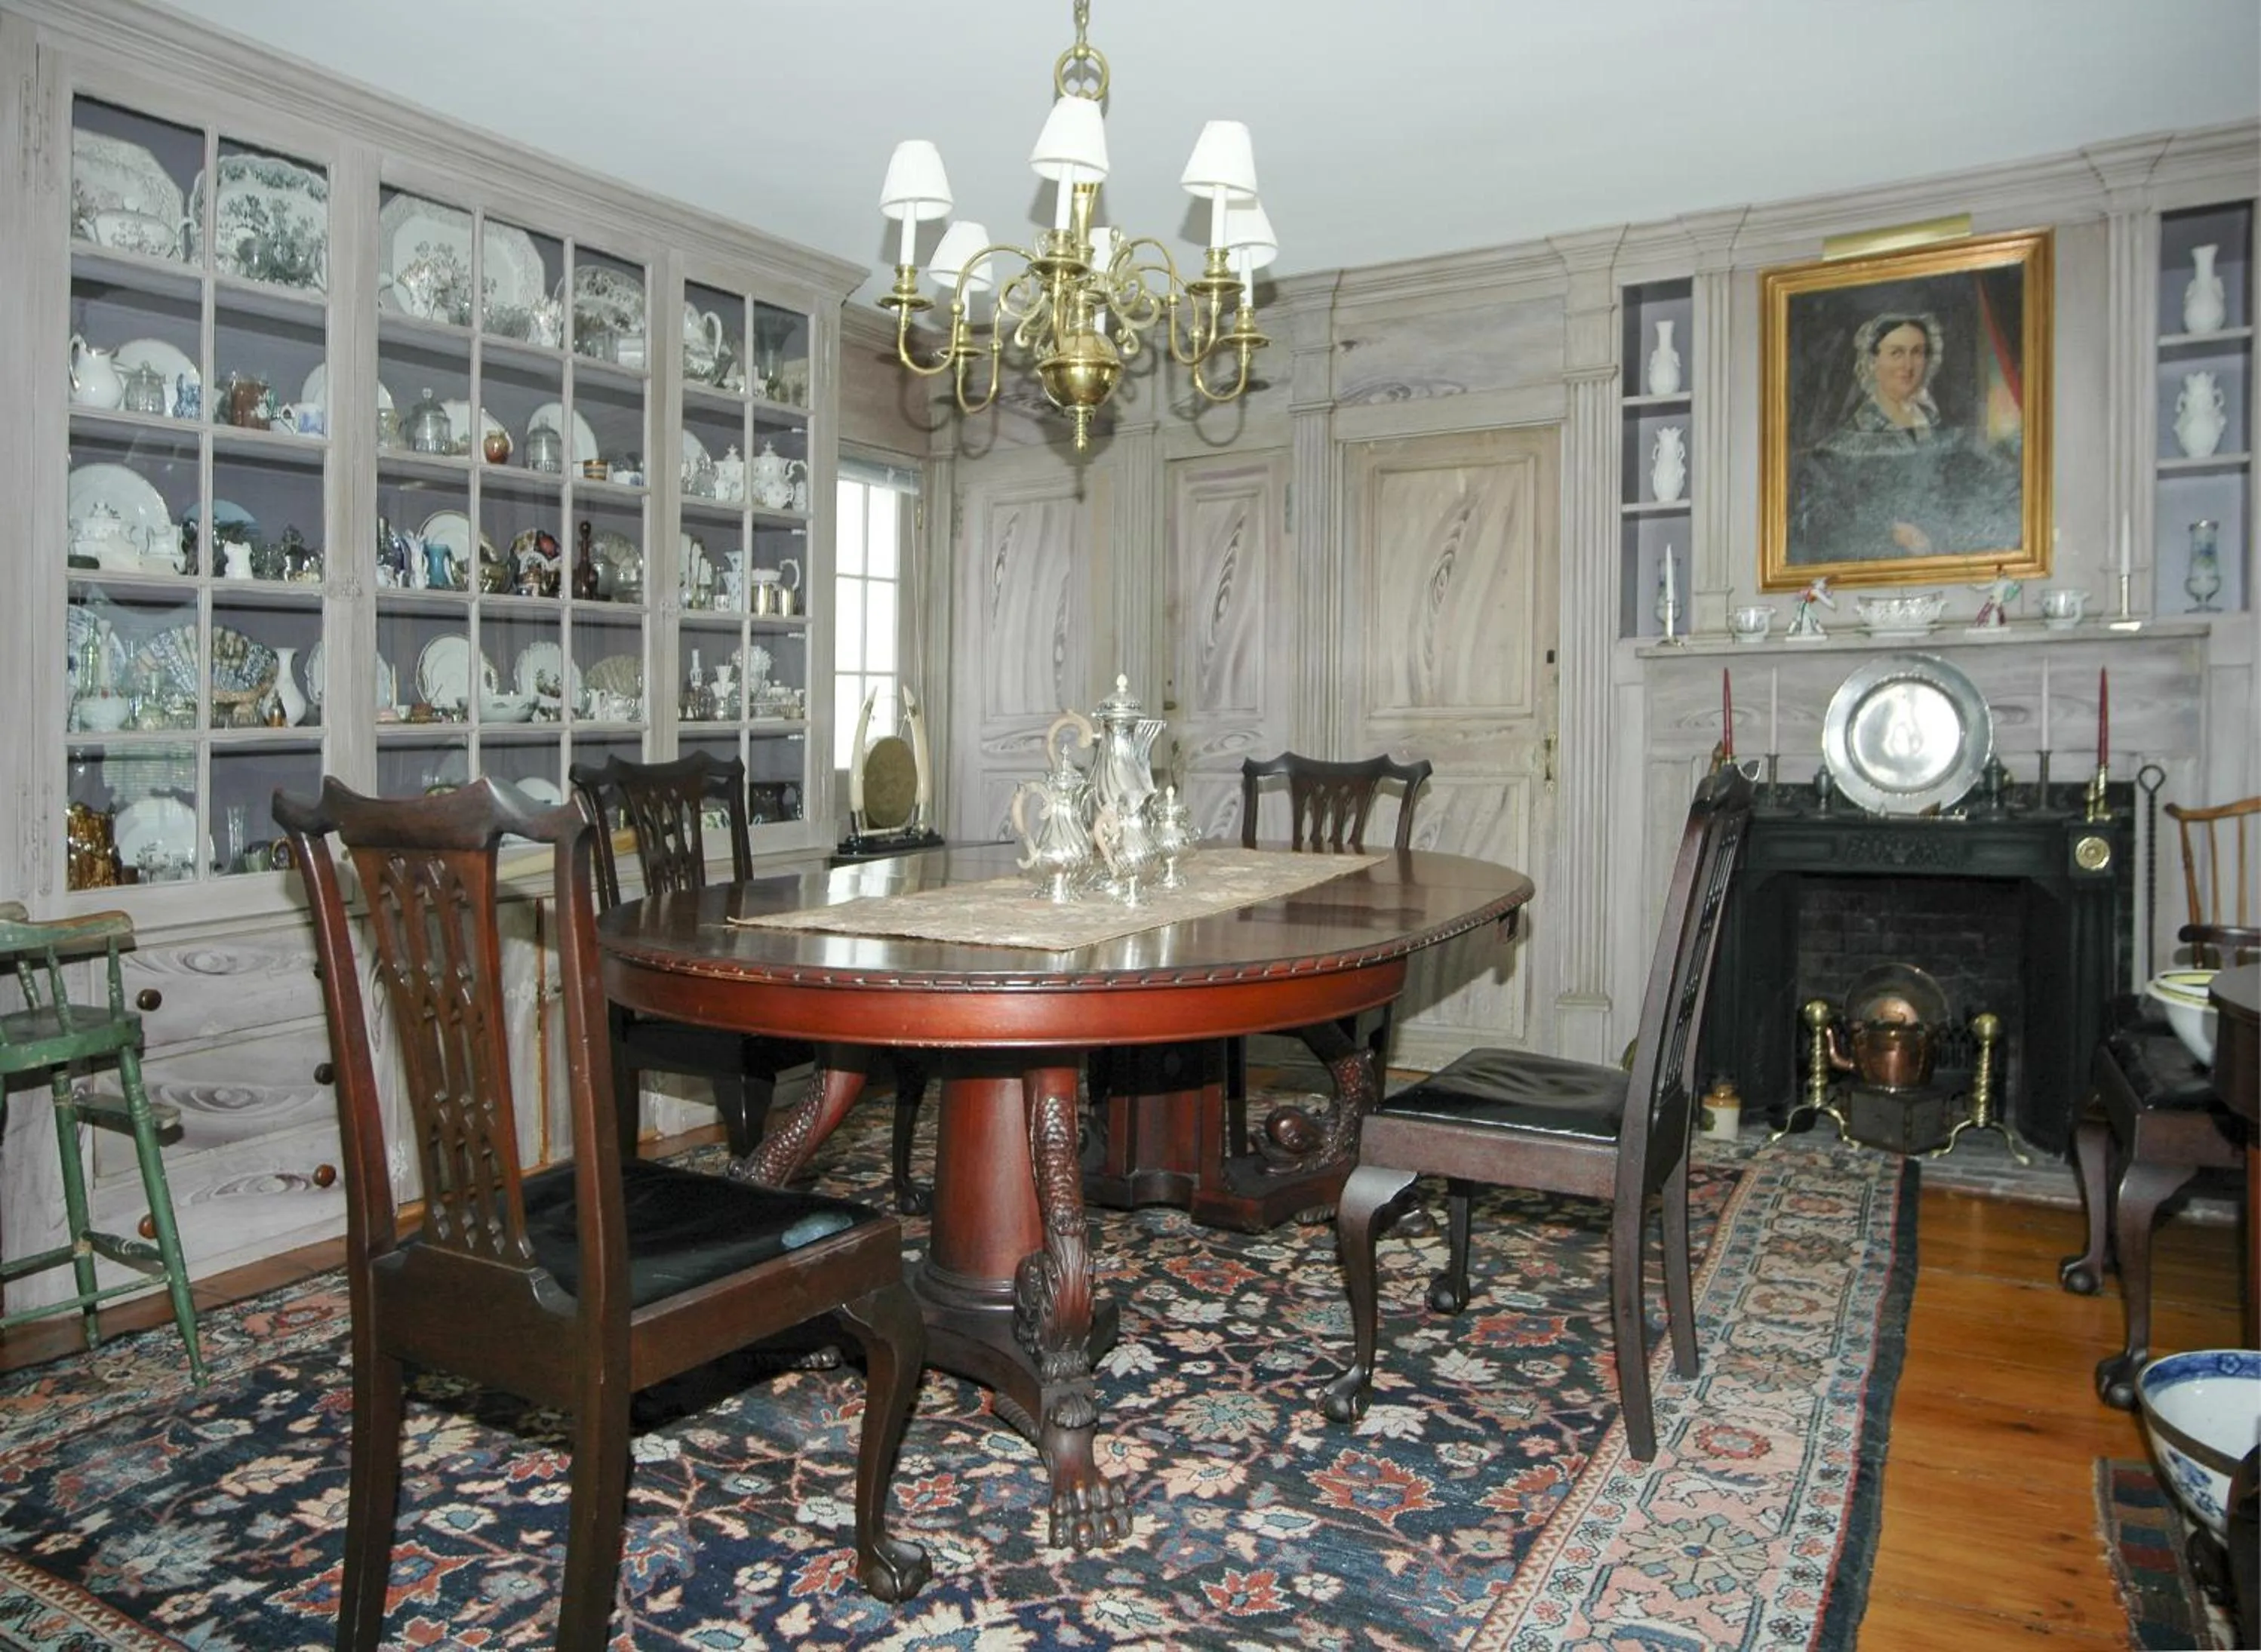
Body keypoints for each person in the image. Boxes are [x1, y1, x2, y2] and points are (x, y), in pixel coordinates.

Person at [1787, 309, 2022, 565]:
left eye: (1917, 352)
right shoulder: (1834, 453)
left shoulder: (1952, 441)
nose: (1908, 366)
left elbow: (1986, 511)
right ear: (1873, 362)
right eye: (1896, 353)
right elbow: (1821, 531)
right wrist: (1889, 535)